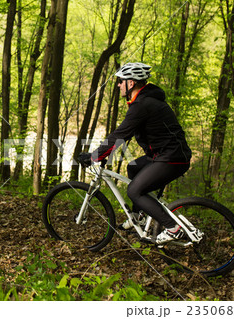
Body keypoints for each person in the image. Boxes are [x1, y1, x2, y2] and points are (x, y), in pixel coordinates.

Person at [78, 62, 192, 245]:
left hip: (172, 158)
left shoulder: (142, 104)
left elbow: (120, 134)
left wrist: (94, 156)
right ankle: (138, 216)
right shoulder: (144, 102)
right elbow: (128, 133)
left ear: (130, 83)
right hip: (165, 154)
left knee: (134, 191)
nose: (118, 85)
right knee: (133, 167)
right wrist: (106, 152)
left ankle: (173, 228)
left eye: (120, 81)